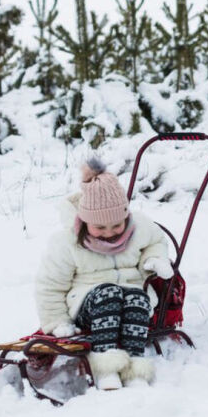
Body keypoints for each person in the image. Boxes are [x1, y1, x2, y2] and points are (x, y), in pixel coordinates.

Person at [35, 159, 174, 390]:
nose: (109, 233)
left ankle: (134, 367)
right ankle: (106, 368)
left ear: (126, 215)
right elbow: (49, 285)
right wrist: (57, 321)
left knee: (138, 297)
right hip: (87, 303)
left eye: (117, 225)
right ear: (85, 220)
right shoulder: (66, 242)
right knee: (108, 293)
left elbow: (156, 241)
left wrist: (154, 259)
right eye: (99, 228)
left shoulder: (139, 226)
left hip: (130, 297)